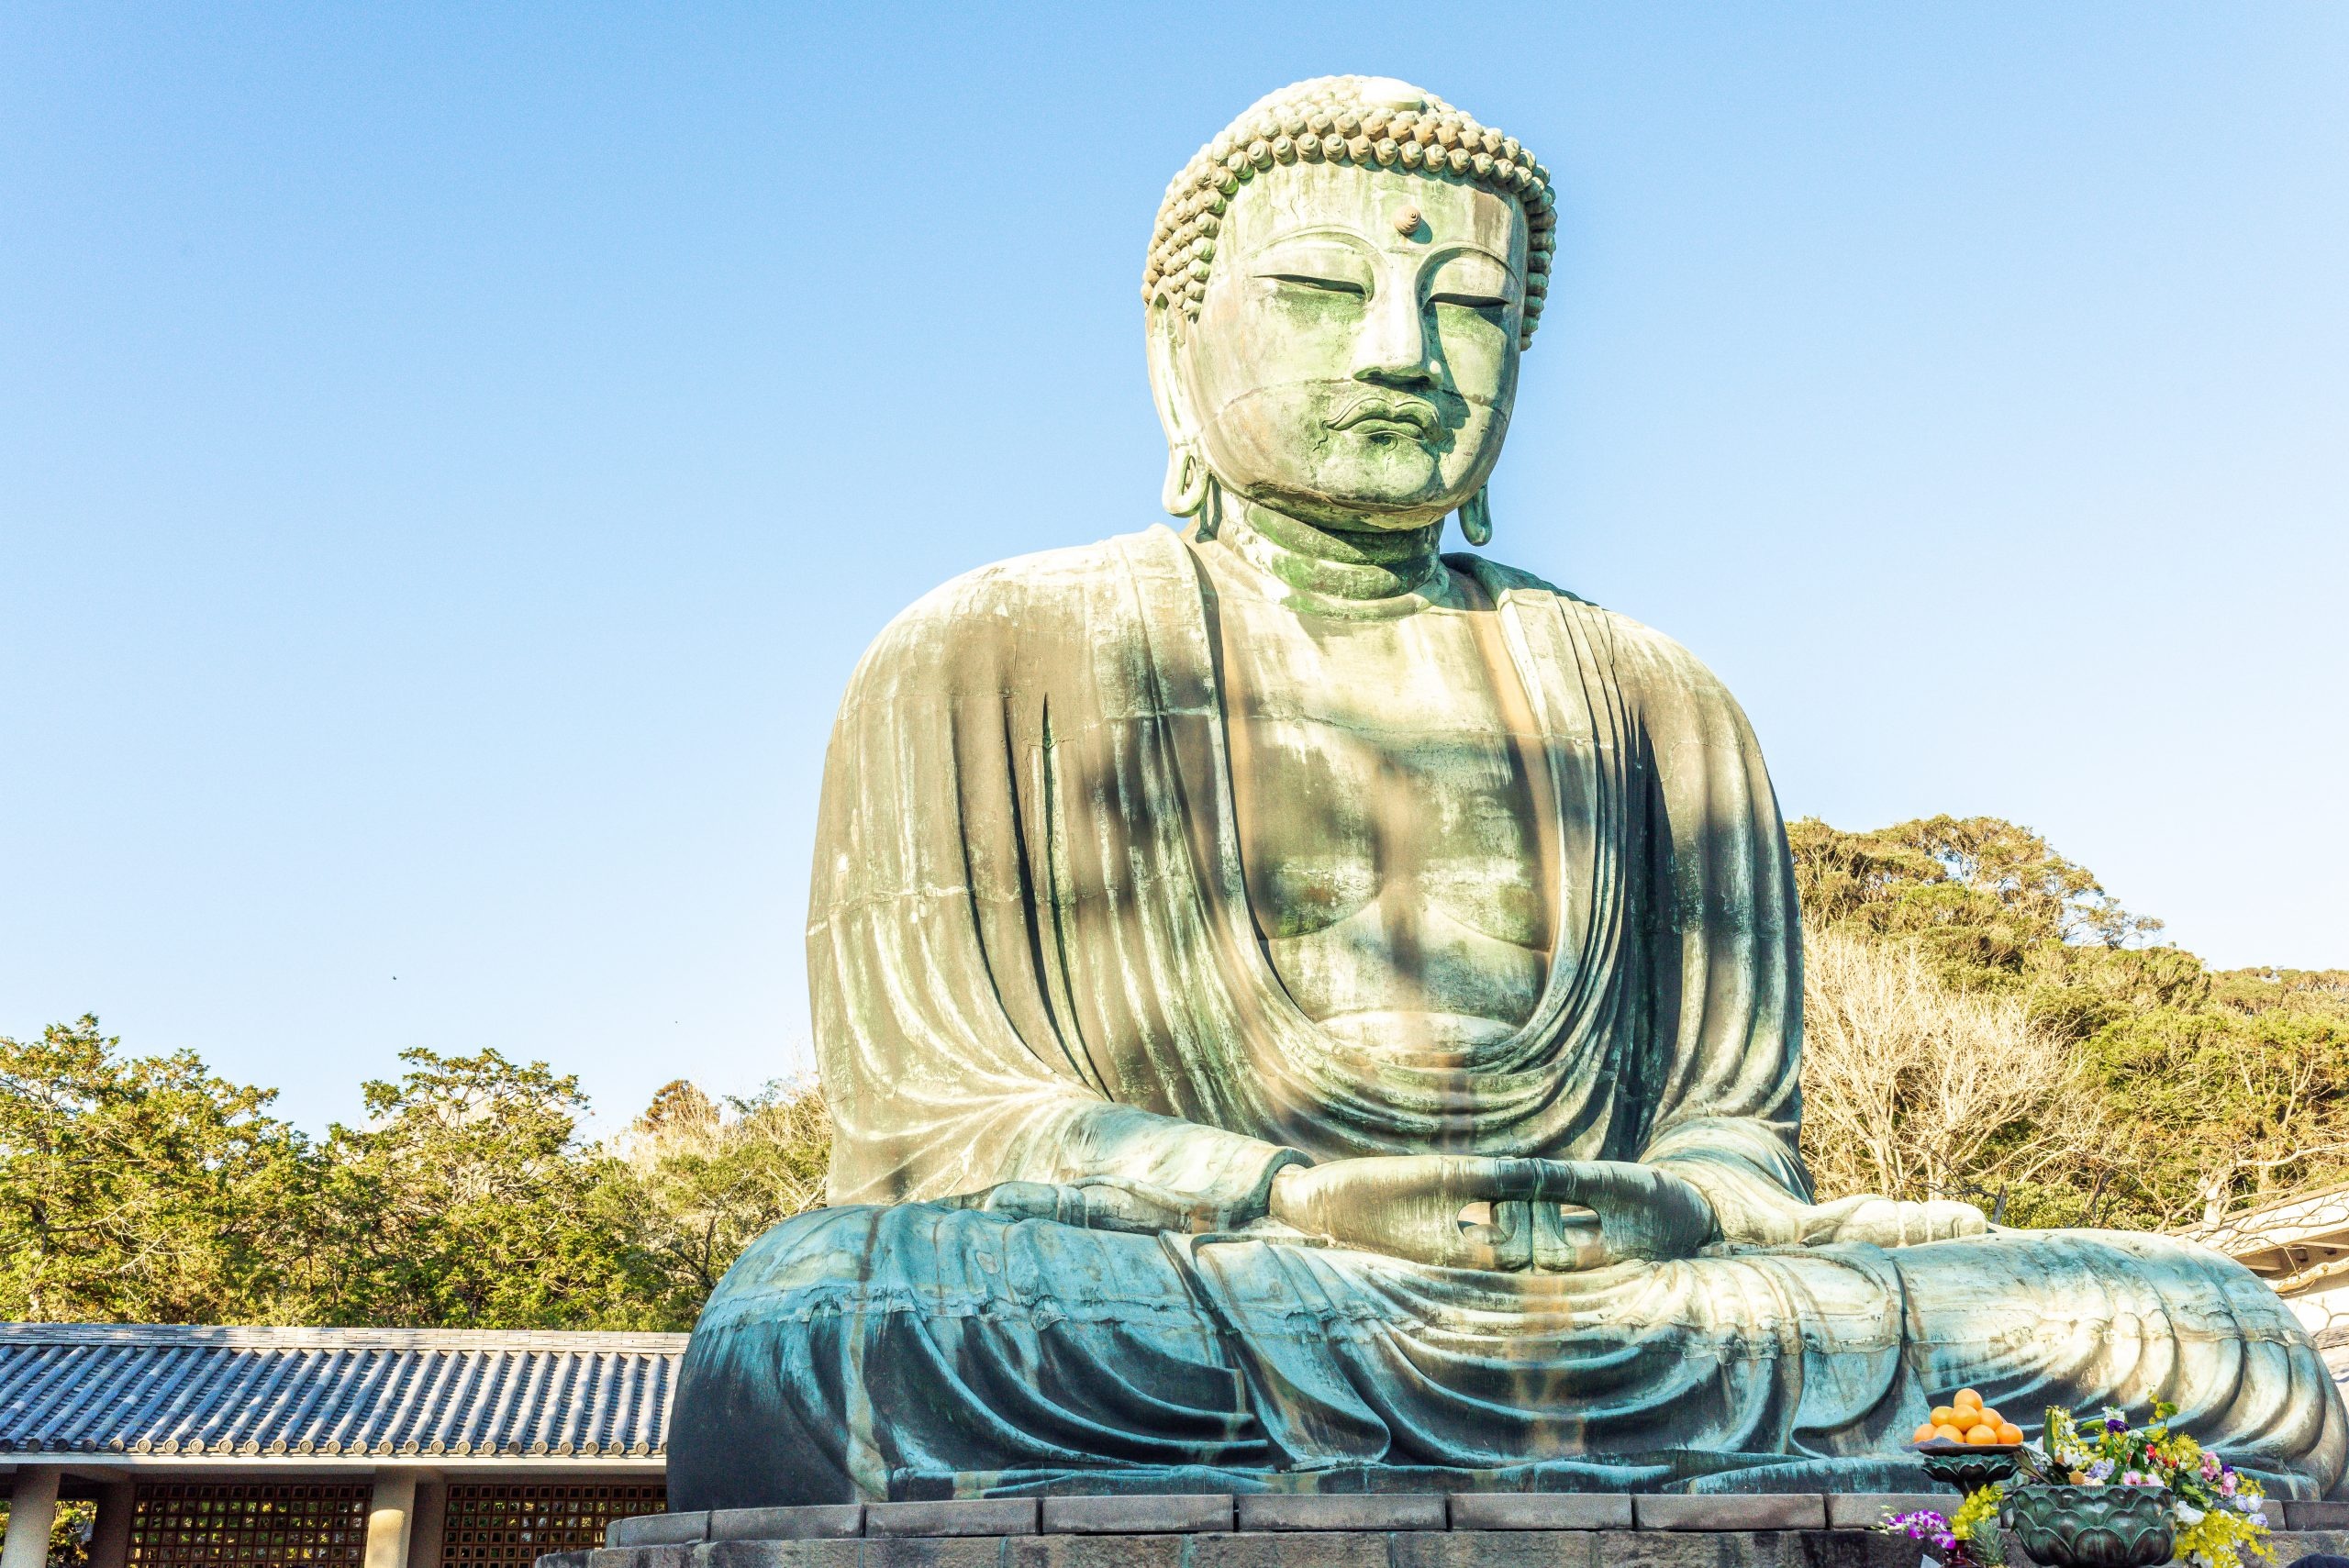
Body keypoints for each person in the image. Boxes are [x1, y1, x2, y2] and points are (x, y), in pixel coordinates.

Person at [667, 76, 2348, 1507]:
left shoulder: (1655, 697)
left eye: (1469, 308)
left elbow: (1731, 1132)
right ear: (1181, 345)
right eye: (1326, 294)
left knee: (2204, 1332)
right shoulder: (993, 651)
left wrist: (1695, 1197)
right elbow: (933, 1126)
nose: (1404, 352)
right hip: (1223, 1278)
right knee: (830, 1324)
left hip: (1641, 1296)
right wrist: (1280, 1192)